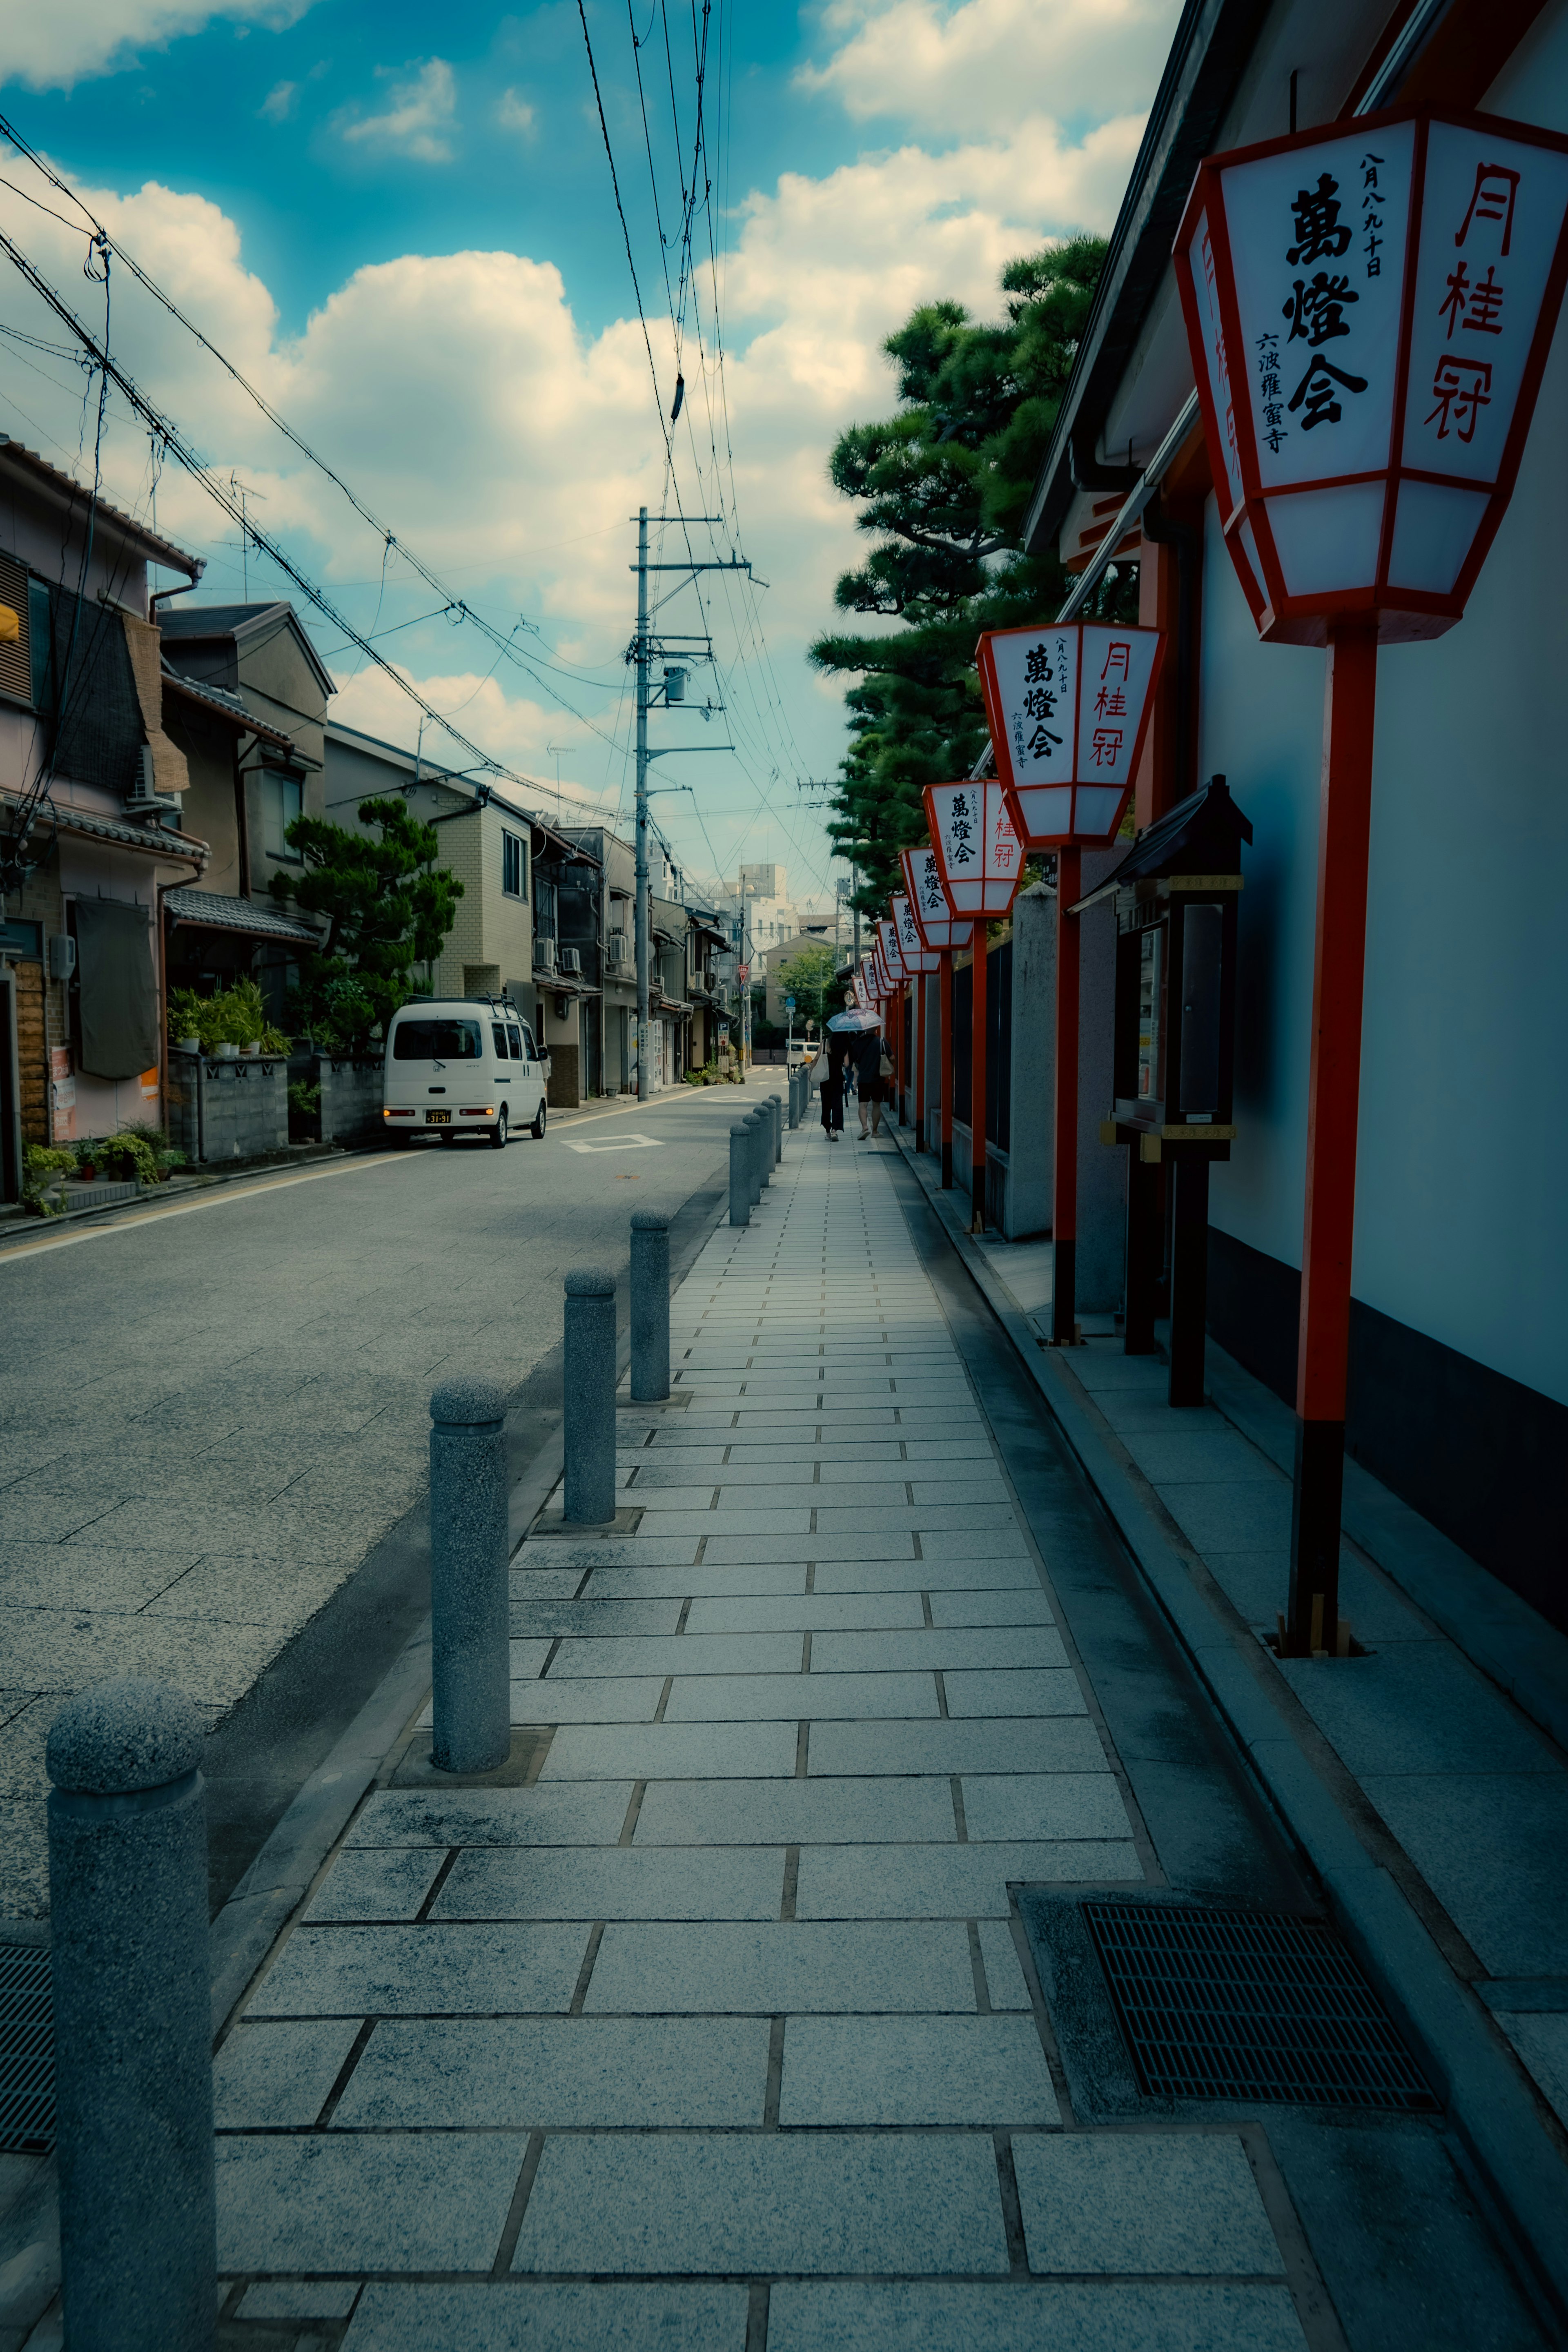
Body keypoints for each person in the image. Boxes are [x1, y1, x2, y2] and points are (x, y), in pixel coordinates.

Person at [852, 1022, 886, 1140]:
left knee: (863, 1105)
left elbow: (853, 1060)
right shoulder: (881, 1041)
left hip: (863, 1079)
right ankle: (875, 1131)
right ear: (876, 1028)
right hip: (878, 1078)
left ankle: (865, 1127)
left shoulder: (858, 1043)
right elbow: (891, 1057)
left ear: (865, 1029)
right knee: (877, 1105)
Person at [819, 1030, 847, 1140]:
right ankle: (835, 1130)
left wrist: (811, 1073)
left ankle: (828, 1131)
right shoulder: (843, 1045)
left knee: (826, 1104)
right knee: (837, 1104)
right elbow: (847, 1064)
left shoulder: (825, 1043)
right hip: (838, 1079)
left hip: (825, 1079)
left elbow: (817, 1059)